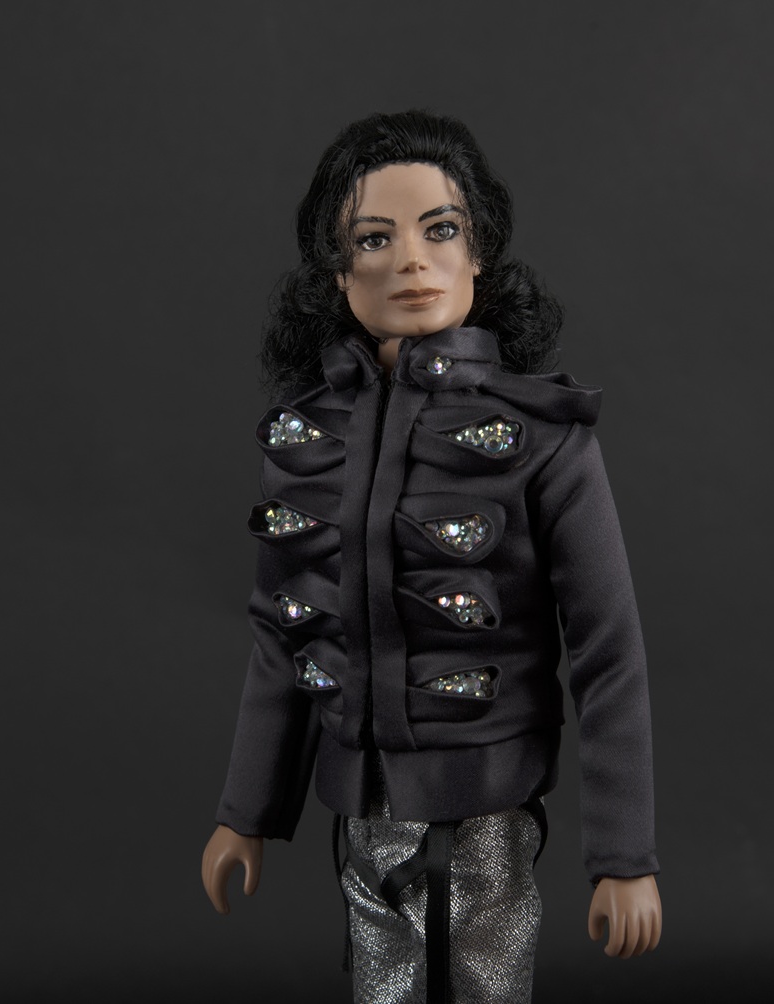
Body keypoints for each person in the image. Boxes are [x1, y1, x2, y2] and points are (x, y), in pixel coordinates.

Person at [201, 110, 660, 1004]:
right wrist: (245, 813)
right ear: (337, 271)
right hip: (361, 812)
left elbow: (608, 652)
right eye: (374, 239)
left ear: (478, 250)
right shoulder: (305, 442)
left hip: (485, 808)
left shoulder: (542, 440)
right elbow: (280, 638)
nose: (411, 260)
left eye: (440, 229)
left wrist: (623, 855)